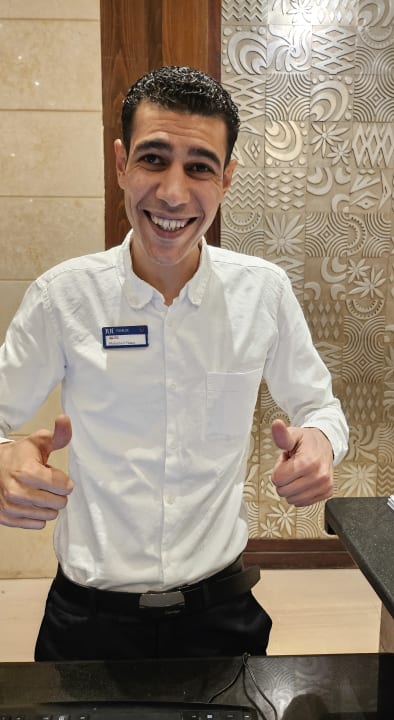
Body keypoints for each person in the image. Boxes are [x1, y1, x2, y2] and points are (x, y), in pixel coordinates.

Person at [0, 66, 348, 661]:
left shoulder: (262, 292)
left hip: (221, 611)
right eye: (153, 159)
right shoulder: (64, 297)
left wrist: (320, 441)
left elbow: (321, 406)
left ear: (227, 178)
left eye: (200, 167)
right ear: (121, 164)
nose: (173, 194)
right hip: (88, 618)